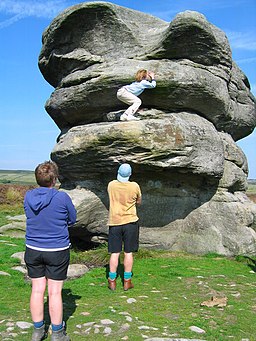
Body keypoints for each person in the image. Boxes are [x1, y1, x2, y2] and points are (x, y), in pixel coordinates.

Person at [24, 161, 77, 341]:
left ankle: (38, 331)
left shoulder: (28, 196)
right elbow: (73, 219)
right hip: (57, 250)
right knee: (54, 292)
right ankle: (57, 333)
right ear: (54, 179)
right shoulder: (62, 198)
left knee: (37, 290)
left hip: (33, 249)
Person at [107, 163, 142, 291]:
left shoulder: (111, 185)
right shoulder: (134, 186)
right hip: (130, 222)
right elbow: (139, 201)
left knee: (115, 253)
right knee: (128, 252)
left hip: (115, 222)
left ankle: (112, 280)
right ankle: (127, 281)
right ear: (130, 174)